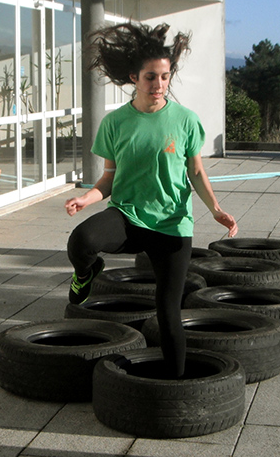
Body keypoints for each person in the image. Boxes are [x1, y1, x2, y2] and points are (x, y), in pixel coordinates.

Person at [64, 22, 238, 378]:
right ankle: (88, 272)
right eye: (150, 77)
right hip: (128, 216)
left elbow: (196, 172)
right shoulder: (116, 123)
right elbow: (109, 179)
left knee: (167, 309)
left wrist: (215, 208)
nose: (159, 85)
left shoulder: (186, 121)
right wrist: (88, 198)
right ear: (134, 77)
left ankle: (175, 385)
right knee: (81, 241)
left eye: (164, 77)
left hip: (172, 226)